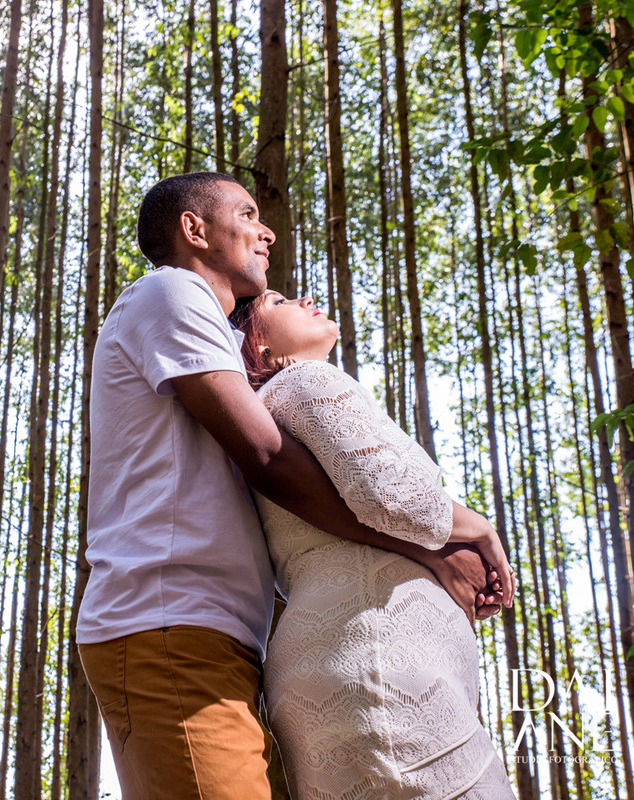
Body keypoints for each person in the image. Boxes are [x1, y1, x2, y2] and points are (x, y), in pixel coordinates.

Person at [74, 171, 511, 800]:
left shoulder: (226, 342)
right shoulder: (168, 292)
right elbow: (266, 458)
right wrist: (442, 538)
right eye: (247, 214)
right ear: (193, 230)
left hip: (222, 634)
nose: (267, 230)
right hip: (167, 621)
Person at [229, 289, 517, 799]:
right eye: (279, 302)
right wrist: (479, 528)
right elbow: (388, 492)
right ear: (261, 348)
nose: (307, 298)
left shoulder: (275, 409)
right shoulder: (305, 380)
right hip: (382, 669)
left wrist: (434, 554)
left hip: (357, 668)